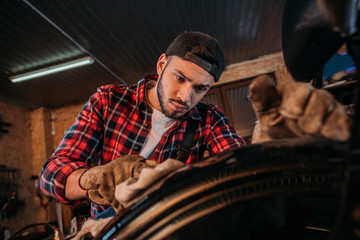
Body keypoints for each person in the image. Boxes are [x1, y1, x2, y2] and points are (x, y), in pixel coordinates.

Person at [40, 31, 246, 218]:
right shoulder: (108, 101)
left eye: (200, 89)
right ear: (161, 65)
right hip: (112, 228)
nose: (185, 97)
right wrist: (98, 179)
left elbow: (242, 169)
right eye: (180, 78)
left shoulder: (210, 119)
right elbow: (51, 175)